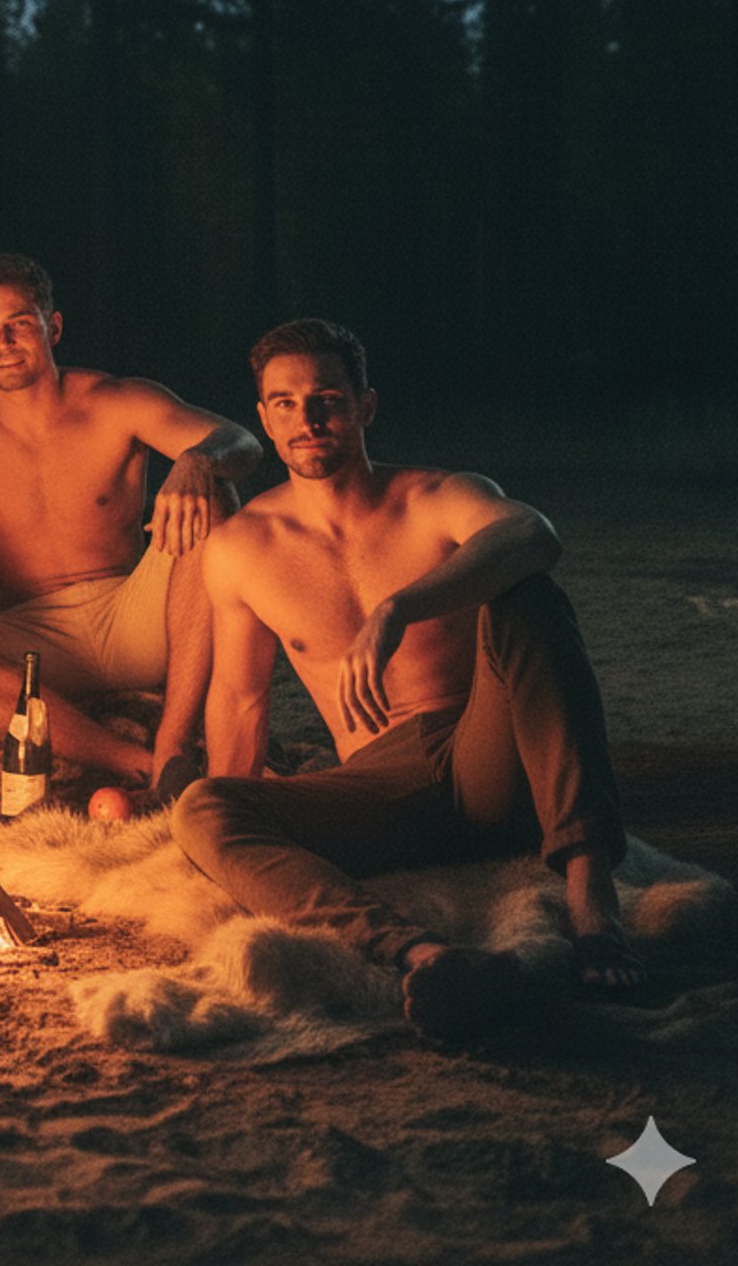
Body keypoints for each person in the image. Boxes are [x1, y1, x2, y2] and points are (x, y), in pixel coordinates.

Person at [172, 316, 645, 1039]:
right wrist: (238, 839)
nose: (309, 418)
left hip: (491, 762)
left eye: (328, 397)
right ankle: (426, 956)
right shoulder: (242, 549)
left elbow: (534, 534)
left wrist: (401, 607)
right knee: (202, 808)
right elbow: (240, 700)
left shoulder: (436, 497)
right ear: (265, 419)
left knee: (528, 592)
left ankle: (589, 892)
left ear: (365, 405)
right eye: (287, 403)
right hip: (380, 787)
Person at [0, 253, 261, 795]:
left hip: (139, 619)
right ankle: (140, 765)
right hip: (37, 641)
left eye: (19, 324)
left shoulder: (116, 401)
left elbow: (241, 442)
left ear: (52, 327)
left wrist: (196, 462)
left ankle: (174, 744)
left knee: (213, 497)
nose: (3, 342)